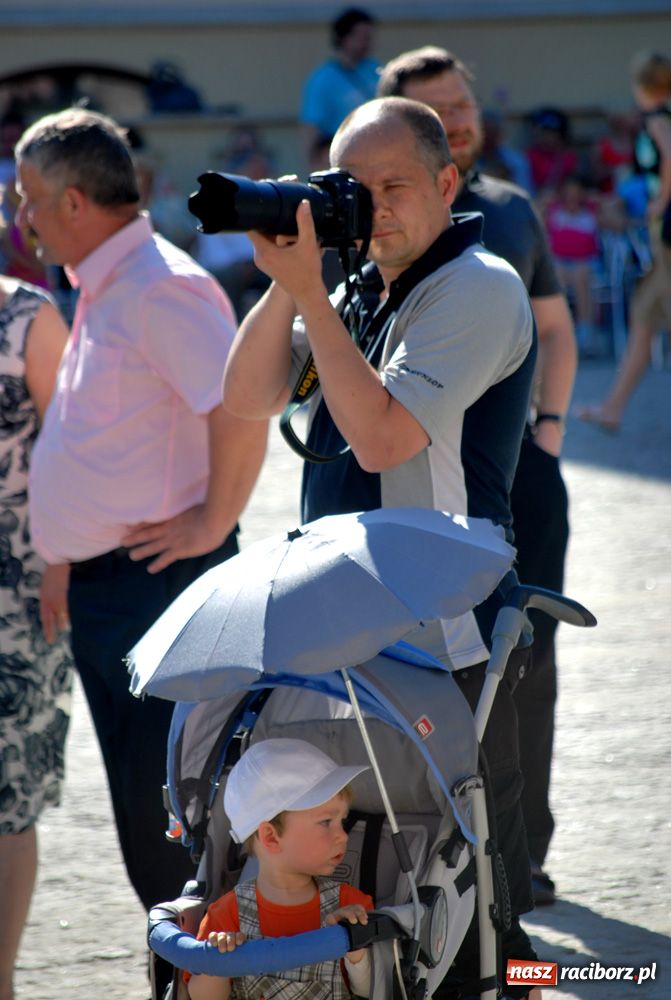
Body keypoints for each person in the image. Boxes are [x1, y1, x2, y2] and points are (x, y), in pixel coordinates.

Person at [222, 97, 540, 998]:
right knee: (376, 851)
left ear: (447, 183)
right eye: (350, 193)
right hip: (348, 617)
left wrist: (316, 297)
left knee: (477, 873)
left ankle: (504, 980)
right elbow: (245, 397)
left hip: (445, 624)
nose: (374, 210)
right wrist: (292, 280)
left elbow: (383, 440)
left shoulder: (477, 285)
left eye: (394, 186)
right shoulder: (356, 289)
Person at [13, 108, 268, 912]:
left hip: (157, 585)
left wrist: (212, 522)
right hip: (115, 586)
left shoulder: (161, 286)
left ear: (76, 203)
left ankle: (204, 977)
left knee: (173, 820)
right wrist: (63, 549)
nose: (21, 218)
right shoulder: (110, 283)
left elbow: (241, 408)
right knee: (144, 812)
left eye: (28, 199)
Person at [376, 46, 577, 912]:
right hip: (432, 483)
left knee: (529, 661)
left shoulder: (512, 212)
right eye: (439, 110)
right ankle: (474, 872)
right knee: (461, 672)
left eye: (462, 104)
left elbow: (557, 329)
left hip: (519, 469)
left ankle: (524, 854)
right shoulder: (384, 219)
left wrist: (550, 434)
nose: (460, 119)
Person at [0, 274, 73, 1000]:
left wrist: (59, 563)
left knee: (10, 797)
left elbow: (67, 445)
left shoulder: (30, 317)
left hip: (17, 590)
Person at [186, 738, 373, 1000]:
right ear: (271, 837)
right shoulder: (226, 915)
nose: (343, 835)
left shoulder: (352, 907)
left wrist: (357, 945)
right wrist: (216, 963)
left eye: (342, 821)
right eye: (326, 822)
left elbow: (375, 990)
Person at [577, 51, 671, 432]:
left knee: (645, 316)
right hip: (663, 234)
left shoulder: (657, 120)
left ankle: (612, 407)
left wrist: (661, 202)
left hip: (667, 230)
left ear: (641, 84)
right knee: (644, 317)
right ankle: (612, 407)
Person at [300, 7, 380, 171]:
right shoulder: (323, 79)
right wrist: (312, 166)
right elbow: (311, 127)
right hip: (340, 156)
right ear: (343, 38)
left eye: (368, 37)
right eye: (361, 36)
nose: (366, 42)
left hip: (375, 154)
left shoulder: (377, 71)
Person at [545, 175, 601, 355]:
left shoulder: (592, 211)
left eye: (576, 193)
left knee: (581, 275)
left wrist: (600, 201)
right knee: (556, 274)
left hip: (586, 264)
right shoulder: (553, 210)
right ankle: (559, 331)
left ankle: (585, 331)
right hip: (560, 263)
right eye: (568, 193)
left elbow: (618, 222)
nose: (572, 198)